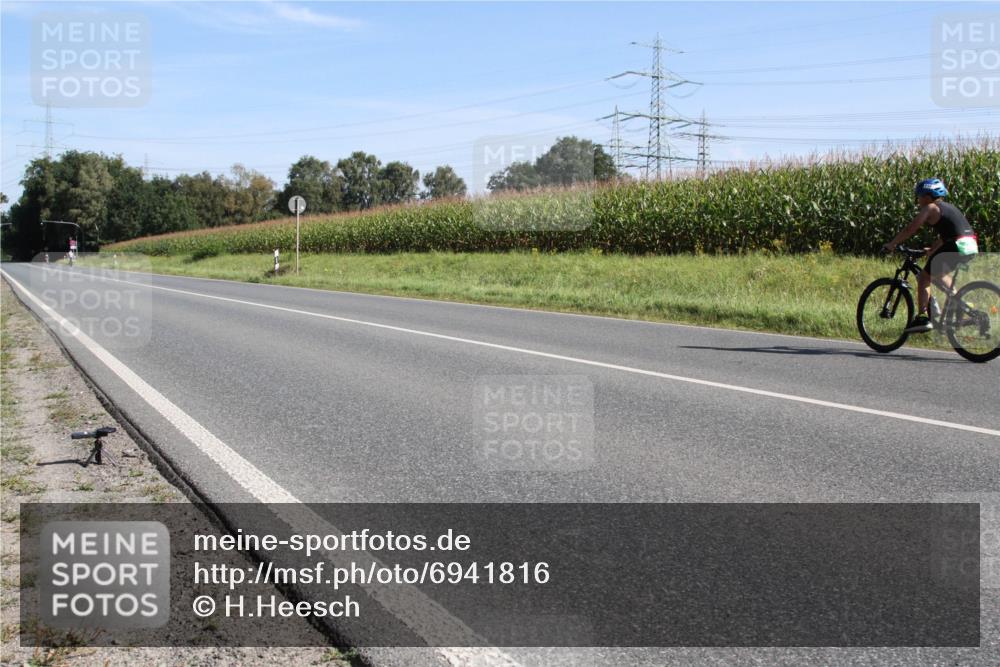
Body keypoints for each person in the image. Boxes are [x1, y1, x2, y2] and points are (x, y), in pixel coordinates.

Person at [883, 178, 979, 333]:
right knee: (939, 275)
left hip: (954, 246)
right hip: (969, 245)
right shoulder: (948, 207)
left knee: (923, 277)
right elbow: (949, 233)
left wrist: (892, 243)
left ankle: (923, 317)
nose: (918, 200)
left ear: (927, 196)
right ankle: (964, 307)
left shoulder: (930, 208)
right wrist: (933, 249)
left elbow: (910, 229)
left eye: (919, 196)